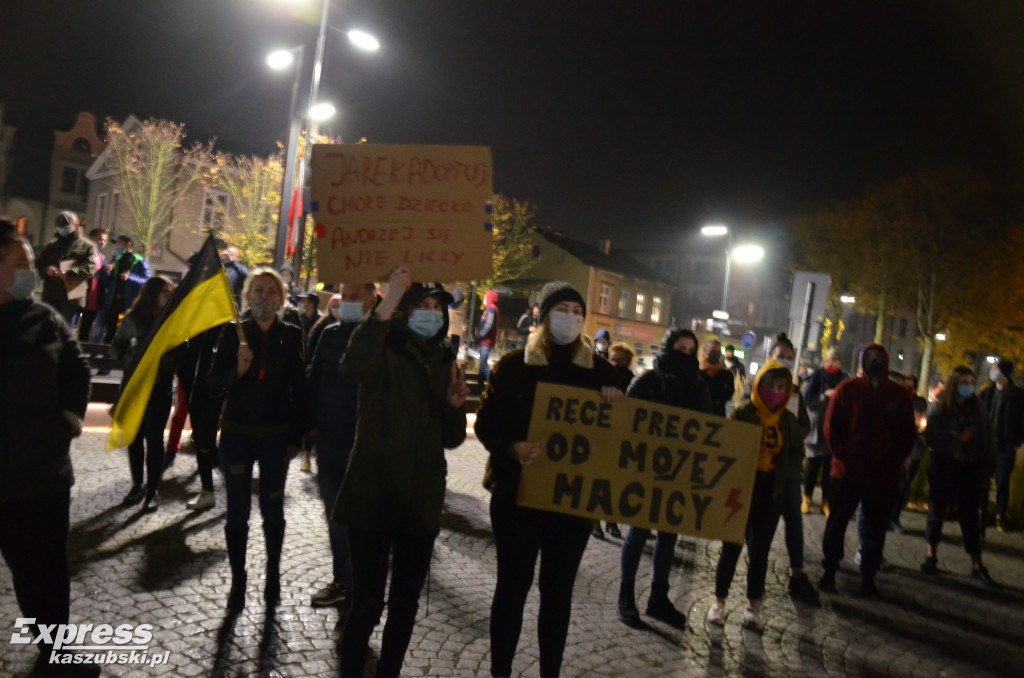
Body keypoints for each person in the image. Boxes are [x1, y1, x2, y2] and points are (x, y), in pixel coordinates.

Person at [475, 280, 621, 678]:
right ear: (543, 314)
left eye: (578, 311)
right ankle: (500, 670)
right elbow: (487, 425)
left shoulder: (603, 373)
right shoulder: (513, 366)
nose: (571, 317)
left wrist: (616, 400)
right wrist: (512, 447)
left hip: (570, 505)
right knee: (511, 590)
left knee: (557, 597)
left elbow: (621, 437)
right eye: (563, 309)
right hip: (516, 497)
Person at [335, 266, 468, 678]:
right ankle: (352, 667)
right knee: (368, 602)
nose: (431, 313)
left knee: (406, 604)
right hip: (373, 493)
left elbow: (450, 439)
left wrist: (453, 406)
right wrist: (388, 298)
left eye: (436, 307)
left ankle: (389, 670)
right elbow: (353, 366)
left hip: (420, 499)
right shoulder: (382, 344)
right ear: (404, 311)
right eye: (422, 306)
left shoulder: (446, 359)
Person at [0, 221, 99, 677]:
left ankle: (55, 655)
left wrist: (70, 420)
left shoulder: (44, 318)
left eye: (30, 265)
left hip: (44, 475)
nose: (30, 274)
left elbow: (77, 368)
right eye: (20, 265)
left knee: (45, 571)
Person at [207, 268, 307, 612]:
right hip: (236, 435)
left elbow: (300, 388)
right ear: (247, 296)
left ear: (281, 299)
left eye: (271, 292)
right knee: (237, 513)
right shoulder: (233, 333)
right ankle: (238, 580)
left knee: (273, 510)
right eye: (258, 291)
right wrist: (237, 370)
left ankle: (273, 574)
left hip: (276, 438)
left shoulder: (292, 335)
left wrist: (297, 434)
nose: (264, 298)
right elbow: (212, 385)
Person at [618, 327, 712, 629]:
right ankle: (626, 595)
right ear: (667, 348)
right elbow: (627, 417)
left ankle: (659, 598)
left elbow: (709, 427)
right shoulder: (648, 380)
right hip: (646, 469)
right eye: (679, 348)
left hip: (679, 472)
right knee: (638, 531)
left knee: (669, 535)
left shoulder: (698, 387)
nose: (684, 355)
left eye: (690, 350)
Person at [706, 359, 806, 631]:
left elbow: (797, 450)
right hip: (741, 488)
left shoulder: (787, 420)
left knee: (760, 552)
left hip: (771, 491)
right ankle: (719, 603)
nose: (775, 390)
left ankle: (752, 607)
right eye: (769, 385)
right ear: (758, 386)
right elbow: (725, 446)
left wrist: (786, 470)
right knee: (731, 547)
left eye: (781, 386)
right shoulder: (743, 414)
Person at [819, 344, 915, 599]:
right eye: (869, 357)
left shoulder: (898, 395)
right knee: (837, 523)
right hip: (847, 472)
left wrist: (893, 460)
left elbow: (907, 434)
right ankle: (829, 570)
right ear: (862, 361)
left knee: (875, 528)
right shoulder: (847, 390)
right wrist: (843, 455)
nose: (874, 361)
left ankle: (868, 577)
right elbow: (832, 427)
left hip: (881, 476)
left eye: (878, 357)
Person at [306, 283, 376, 609]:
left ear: (372, 301)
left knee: (361, 521)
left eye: (355, 298)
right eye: (344, 297)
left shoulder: (379, 339)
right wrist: (310, 427)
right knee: (335, 518)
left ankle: (358, 585)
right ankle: (344, 582)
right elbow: (314, 379)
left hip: (363, 446)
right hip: (330, 441)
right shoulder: (329, 335)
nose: (347, 303)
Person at [921, 366, 998, 586]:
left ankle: (976, 564)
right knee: (936, 513)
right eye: (964, 382)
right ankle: (930, 555)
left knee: (970, 518)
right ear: (955, 383)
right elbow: (931, 437)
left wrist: (987, 471)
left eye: (971, 382)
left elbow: (988, 439)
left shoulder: (979, 407)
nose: (968, 386)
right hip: (944, 467)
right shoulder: (939, 407)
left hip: (970, 469)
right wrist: (958, 439)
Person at [110, 275, 175, 511]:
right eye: (164, 291)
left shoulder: (171, 322)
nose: (167, 295)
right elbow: (116, 347)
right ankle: (137, 485)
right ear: (152, 293)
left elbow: (177, 354)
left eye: (170, 291)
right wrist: (134, 361)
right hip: (135, 386)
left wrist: (163, 363)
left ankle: (152, 489)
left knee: (155, 439)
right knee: (135, 437)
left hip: (160, 387)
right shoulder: (133, 320)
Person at [979, 359, 1024, 532]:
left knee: (1002, 481)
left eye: (995, 368)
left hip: (1005, 446)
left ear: (1003, 373)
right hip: (986, 445)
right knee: (983, 479)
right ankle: (980, 511)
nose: (992, 371)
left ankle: (1000, 516)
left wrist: (1017, 442)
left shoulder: (1018, 395)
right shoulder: (988, 393)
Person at [802, 347, 847, 515]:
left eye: (836, 361)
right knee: (812, 466)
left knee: (829, 467)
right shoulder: (816, 376)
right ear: (825, 362)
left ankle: (826, 501)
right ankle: (807, 498)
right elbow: (806, 400)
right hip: (817, 428)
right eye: (830, 361)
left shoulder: (843, 378)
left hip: (833, 428)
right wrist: (824, 396)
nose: (833, 364)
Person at [35, 210, 98, 328]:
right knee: (47, 331)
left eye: (65, 228)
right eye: (60, 228)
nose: (62, 231)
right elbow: (38, 263)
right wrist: (46, 269)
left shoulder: (87, 246)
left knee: (65, 331)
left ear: (75, 225)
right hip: (51, 295)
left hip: (71, 297)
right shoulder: (52, 246)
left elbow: (90, 268)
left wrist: (69, 273)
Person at [103, 234, 150, 342]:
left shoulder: (139, 260)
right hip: (113, 300)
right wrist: (107, 272)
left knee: (128, 332)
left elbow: (147, 280)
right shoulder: (116, 259)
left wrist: (130, 278)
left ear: (129, 244)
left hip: (129, 301)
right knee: (110, 330)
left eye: (119, 243)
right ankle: (106, 352)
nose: (117, 245)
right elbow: (108, 281)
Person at [77, 227, 110, 342]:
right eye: (100, 239)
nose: (103, 243)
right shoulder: (81, 253)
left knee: (86, 328)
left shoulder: (103, 257)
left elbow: (104, 278)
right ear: (91, 238)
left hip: (94, 298)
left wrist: (108, 272)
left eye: (105, 240)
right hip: (79, 295)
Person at [699, 338, 734, 416]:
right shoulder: (697, 372)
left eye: (718, 352)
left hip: (718, 414)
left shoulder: (727, 375)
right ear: (704, 352)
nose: (715, 354)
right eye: (712, 351)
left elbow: (728, 395)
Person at [475, 289, 500, 382]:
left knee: (483, 365)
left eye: (486, 297)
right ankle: (480, 389)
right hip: (484, 341)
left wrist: (479, 336)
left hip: (485, 341)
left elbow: (488, 325)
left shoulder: (491, 309)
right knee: (481, 368)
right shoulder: (490, 309)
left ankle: (496, 384)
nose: (484, 299)